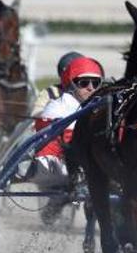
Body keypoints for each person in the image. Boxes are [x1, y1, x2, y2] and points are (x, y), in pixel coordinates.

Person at [28, 56, 104, 186]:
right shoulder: (57, 106)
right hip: (57, 168)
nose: (91, 88)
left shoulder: (101, 106)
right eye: (84, 83)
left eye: (95, 83)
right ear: (71, 83)